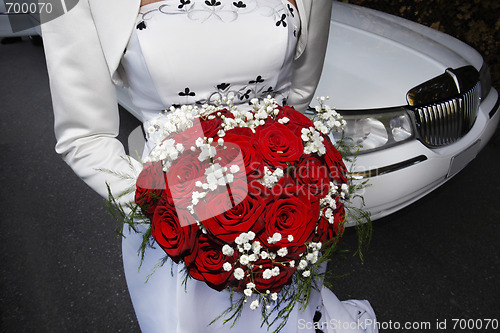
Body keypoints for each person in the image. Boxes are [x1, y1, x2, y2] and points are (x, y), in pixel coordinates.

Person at [41, 0, 378, 332]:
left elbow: (298, 95)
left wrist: (285, 181)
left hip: (281, 208)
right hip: (178, 231)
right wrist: (167, 208)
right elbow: (84, 137)